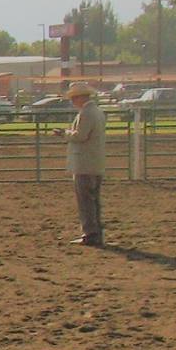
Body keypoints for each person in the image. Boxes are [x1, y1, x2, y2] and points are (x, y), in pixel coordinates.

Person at [64, 82, 105, 246]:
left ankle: (90, 233)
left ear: (80, 97)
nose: (73, 101)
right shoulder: (97, 112)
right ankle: (95, 231)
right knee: (93, 199)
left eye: (74, 98)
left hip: (85, 163)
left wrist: (65, 133)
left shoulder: (86, 113)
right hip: (95, 162)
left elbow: (80, 136)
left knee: (85, 200)